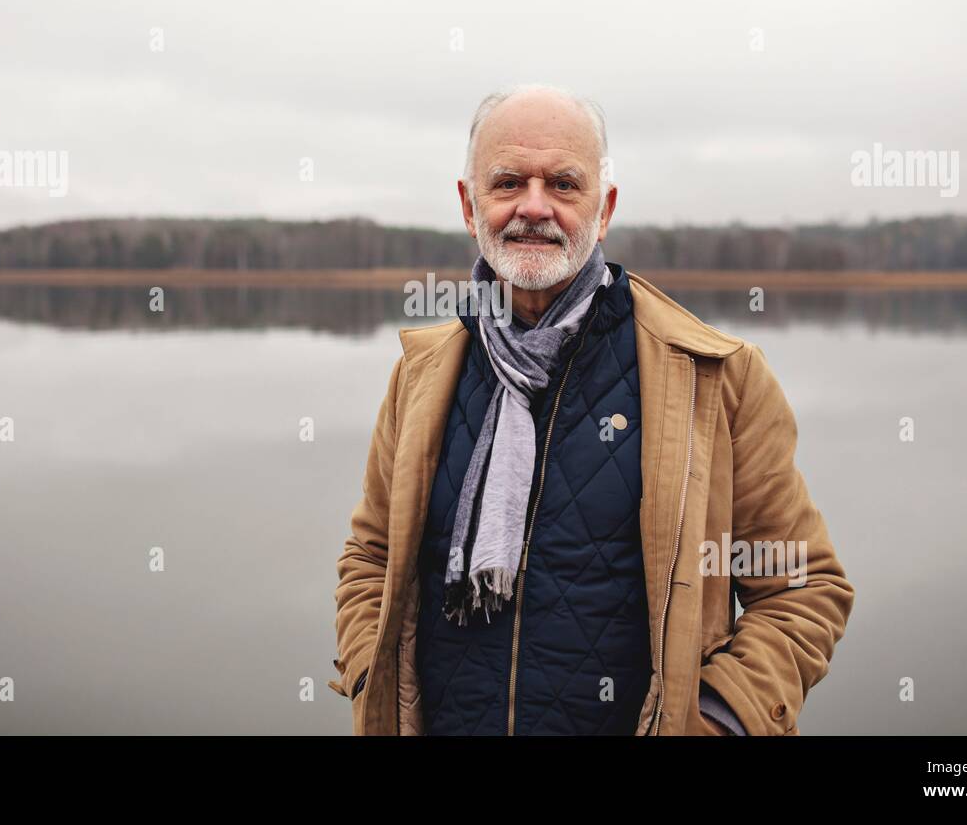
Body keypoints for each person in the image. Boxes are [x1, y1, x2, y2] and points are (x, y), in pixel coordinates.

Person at [330, 83, 854, 735]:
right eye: (508, 182)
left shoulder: (718, 378)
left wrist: (718, 720)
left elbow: (799, 590)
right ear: (469, 206)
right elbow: (370, 558)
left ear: (604, 209)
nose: (533, 207)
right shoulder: (422, 373)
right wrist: (367, 677)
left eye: (564, 184)